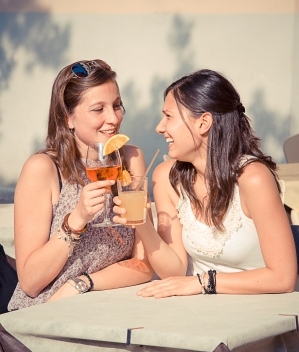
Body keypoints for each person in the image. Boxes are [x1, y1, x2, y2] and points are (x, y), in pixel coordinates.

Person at [113, 69, 297, 298]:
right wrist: (142, 223)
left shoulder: (253, 178)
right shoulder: (166, 177)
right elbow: (175, 270)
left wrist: (203, 282)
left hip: (261, 314)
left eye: (168, 116)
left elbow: (283, 278)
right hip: (199, 313)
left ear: (204, 123)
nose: (160, 128)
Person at [8, 59, 153, 311]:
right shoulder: (42, 169)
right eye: (98, 109)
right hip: (46, 313)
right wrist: (77, 219)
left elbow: (143, 265)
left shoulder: (131, 159)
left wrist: (81, 283)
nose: (113, 118)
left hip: (106, 305)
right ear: (68, 118)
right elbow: (30, 282)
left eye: (117, 105)